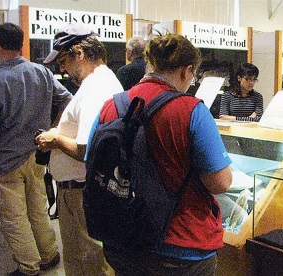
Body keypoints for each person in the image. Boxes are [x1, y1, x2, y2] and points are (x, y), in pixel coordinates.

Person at [90, 33, 233, 275]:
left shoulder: (111, 106)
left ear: (150, 64)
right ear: (187, 71)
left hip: (122, 238)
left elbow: (91, 163)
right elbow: (220, 182)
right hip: (181, 245)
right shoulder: (191, 110)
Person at [0, 22, 72, 276]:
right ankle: (48, 255)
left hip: (5, 162)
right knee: (37, 208)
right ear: (22, 43)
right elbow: (66, 98)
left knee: (14, 218)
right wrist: (52, 129)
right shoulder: (41, 72)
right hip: (36, 154)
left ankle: (28, 267)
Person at [35, 23, 123, 275]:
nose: (62, 68)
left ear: (80, 54)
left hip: (80, 193)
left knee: (89, 265)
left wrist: (54, 139)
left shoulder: (96, 88)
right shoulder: (102, 82)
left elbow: (87, 150)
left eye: (63, 61)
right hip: (83, 191)